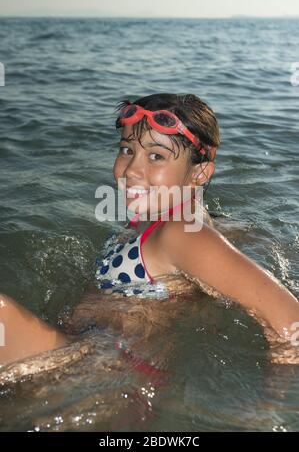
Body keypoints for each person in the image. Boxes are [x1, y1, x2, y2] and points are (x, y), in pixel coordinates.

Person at [1, 92, 299, 367]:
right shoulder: (186, 221)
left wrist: (266, 410)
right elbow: (224, 241)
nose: (131, 169)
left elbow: (289, 319)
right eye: (127, 149)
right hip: (94, 358)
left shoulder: (180, 231)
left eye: (156, 156)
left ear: (200, 172)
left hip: (95, 370)